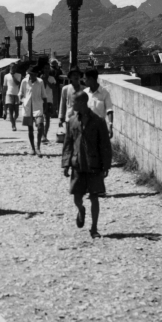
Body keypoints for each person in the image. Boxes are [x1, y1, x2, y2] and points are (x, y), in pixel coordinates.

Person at [62, 91, 113, 239]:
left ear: (83, 103)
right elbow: (68, 143)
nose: (72, 104)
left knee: (94, 197)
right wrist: (66, 163)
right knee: (77, 197)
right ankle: (81, 210)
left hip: (94, 165)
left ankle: (94, 228)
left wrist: (106, 165)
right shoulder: (72, 121)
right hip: (78, 164)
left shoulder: (98, 121)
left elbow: (105, 145)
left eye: (75, 102)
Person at [19, 66, 46, 156]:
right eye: (31, 74)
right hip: (28, 107)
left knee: (40, 126)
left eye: (35, 75)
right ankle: (32, 148)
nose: (33, 76)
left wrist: (46, 107)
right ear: (29, 74)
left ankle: (38, 147)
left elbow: (44, 95)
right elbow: (20, 94)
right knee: (30, 129)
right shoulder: (24, 81)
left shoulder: (40, 82)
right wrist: (23, 100)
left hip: (38, 107)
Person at [84, 68, 114, 137]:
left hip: (100, 128)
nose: (84, 81)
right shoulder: (85, 93)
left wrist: (110, 126)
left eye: (85, 79)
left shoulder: (104, 93)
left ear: (91, 79)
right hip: (87, 127)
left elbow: (109, 110)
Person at [2, 63, 22, 131]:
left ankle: (13, 120)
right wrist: (3, 95)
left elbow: (17, 83)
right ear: (10, 68)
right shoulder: (6, 76)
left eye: (14, 67)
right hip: (9, 94)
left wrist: (13, 76)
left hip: (16, 94)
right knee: (10, 111)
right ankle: (13, 125)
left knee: (16, 113)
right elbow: (5, 86)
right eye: (12, 67)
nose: (13, 69)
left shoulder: (19, 75)